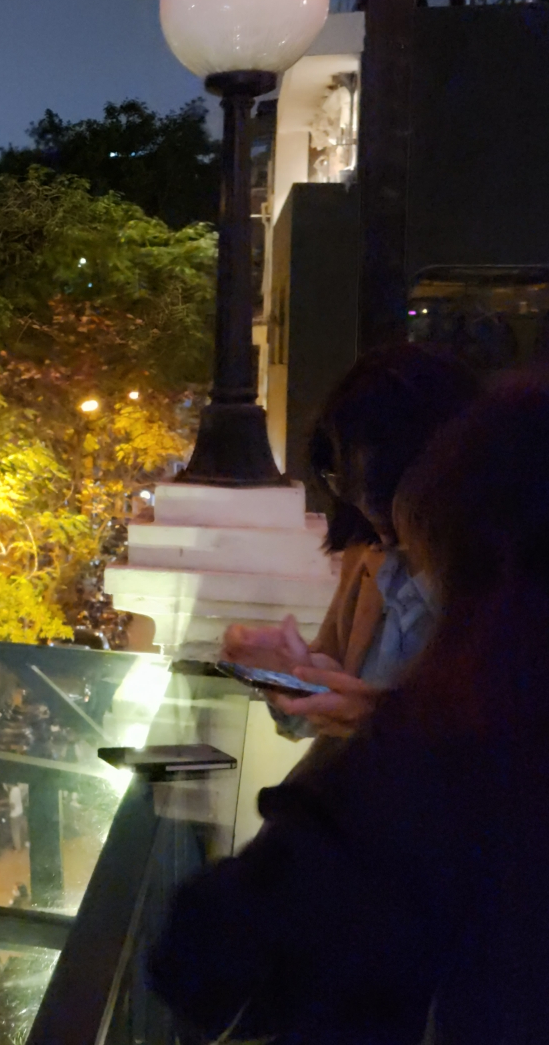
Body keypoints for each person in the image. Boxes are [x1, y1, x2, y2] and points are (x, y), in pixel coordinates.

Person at [149, 369, 549, 1043]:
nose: (356, 492)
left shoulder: (455, 744)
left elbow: (205, 954)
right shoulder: (373, 565)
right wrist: (286, 677)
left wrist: (384, 726)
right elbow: (327, 698)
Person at [222, 344, 478, 739]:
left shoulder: (505, 586)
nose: (364, 507)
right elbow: (324, 708)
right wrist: (290, 675)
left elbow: (511, 746)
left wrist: (383, 723)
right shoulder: (370, 557)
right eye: (343, 480)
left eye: (379, 486)